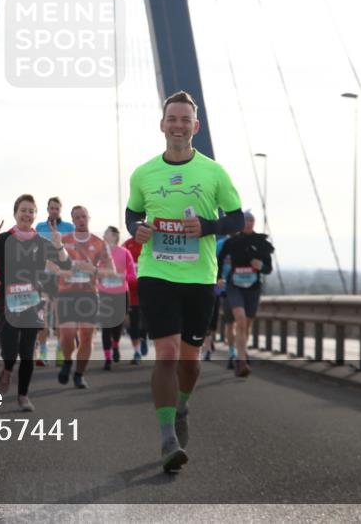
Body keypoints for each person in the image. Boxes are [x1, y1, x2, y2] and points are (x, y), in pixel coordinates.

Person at [126, 91, 243, 473]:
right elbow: (132, 214)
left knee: (189, 361)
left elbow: (236, 219)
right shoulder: (143, 173)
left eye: (185, 120)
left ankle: (181, 406)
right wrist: (138, 228)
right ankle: (167, 439)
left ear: (196, 126)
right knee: (167, 353)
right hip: (156, 272)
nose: (178, 126)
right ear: (162, 125)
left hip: (198, 277)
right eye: (172, 119)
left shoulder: (214, 172)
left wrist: (207, 226)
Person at [0, 194, 70, 412]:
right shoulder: (3, 239)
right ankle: (7, 368)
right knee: (10, 349)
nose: (27, 214)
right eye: (23, 210)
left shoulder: (41, 242)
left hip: (33, 302)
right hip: (7, 303)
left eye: (31, 211)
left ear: (35, 215)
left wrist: (59, 245)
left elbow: (65, 263)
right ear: (15, 214)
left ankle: (23, 395)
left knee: (27, 351)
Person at [55, 206, 111, 389]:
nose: (81, 220)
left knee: (86, 337)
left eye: (83, 216)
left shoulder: (99, 243)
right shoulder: (64, 240)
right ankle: (67, 361)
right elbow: (48, 263)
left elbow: (111, 271)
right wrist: (61, 272)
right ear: (72, 220)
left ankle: (79, 374)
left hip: (88, 295)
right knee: (67, 334)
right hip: (66, 294)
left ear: (89, 218)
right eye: (77, 217)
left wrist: (93, 269)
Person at [218, 211, 274, 377]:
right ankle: (240, 360)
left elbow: (268, 269)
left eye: (251, 220)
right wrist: (218, 278)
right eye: (245, 221)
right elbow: (219, 261)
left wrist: (261, 266)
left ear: (254, 223)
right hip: (233, 287)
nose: (248, 223)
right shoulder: (231, 242)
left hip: (253, 288)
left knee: (246, 325)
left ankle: (240, 352)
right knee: (239, 321)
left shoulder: (261, 243)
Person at [34, 197, 74, 366]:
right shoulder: (39, 227)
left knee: (59, 317)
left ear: (60, 210)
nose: (54, 211)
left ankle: (59, 349)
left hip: (61, 277)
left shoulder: (69, 228)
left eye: (57, 208)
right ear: (47, 209)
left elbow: (72, 251)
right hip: (43, 276)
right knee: (41, 315)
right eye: (52, 208)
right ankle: (43, 350)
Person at [98, 226, 136, 371]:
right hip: (104, 293)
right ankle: (107, 359)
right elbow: (94, 272)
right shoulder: (100, 253)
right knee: (106, 326)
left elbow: (133, 276)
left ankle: (115, 345)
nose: (103, 235)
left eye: (106, 233)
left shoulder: (125, 253)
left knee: (117, 325)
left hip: (121, 294)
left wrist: (120, 276)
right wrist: (102, 273)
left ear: (114, 236)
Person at [121, 235, 146, 363]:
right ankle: (137, 352)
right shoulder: (126, 245)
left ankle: (143, 337)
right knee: (133, 323)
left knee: (147, 319)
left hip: (147, 288)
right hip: (132, 291)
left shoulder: (150, 242)